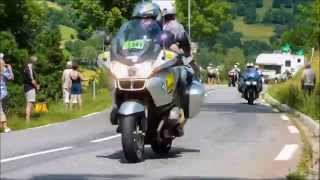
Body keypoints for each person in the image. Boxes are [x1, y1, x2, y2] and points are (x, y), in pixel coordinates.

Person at [0, 54, 14, 132]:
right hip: (3, 92)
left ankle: (4, 127)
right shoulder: (4, 69)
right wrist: (10, 69)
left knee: (1, 110)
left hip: (2, 92)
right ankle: (4, 127)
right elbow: (11, 78)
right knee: (3, 110)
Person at [24, 56, 40, 122]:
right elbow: (32, 80)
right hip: (30, 88)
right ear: (33, 62)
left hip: (28, 87)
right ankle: (27, 120)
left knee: (31, 103)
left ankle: (29, 118)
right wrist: (37, 86)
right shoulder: (29, 68)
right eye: (36, 62)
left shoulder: (26, 68)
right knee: (29, 103)